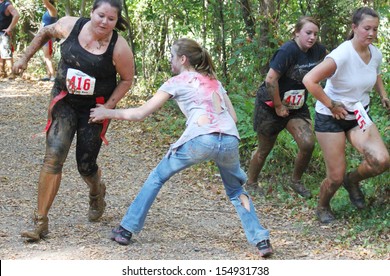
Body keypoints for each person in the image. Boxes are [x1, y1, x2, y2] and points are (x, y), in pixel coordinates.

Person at [90, 38, 274, 258]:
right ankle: (261, 240)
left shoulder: (177, 81)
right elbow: (232, 117)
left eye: (172, 56)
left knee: (157, 177)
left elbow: (140, 114)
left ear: (183, 59)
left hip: (201, 140)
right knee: (236, 191)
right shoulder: (214, 80)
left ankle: (126, 229)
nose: (170, 60)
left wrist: (106, 113)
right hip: (229, 140)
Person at [12, 0, 135, 241]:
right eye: (100, 15)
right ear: (91, 12)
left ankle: (96, 190)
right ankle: (40, 221)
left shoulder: (119, 47)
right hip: (65, 101)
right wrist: (24, 57)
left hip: (94, 109)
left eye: (111, 19)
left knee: (85, 165)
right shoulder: (69, 26)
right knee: (54, 156)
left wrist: (107, 109)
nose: (104, 22)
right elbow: (45, 31)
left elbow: (127, 79)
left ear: (116, 20)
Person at [302, 7, 390, 224]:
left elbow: (375, 73)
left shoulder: (374, 53)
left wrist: (383, 95)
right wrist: (331, 105)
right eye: (366, 28)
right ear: (354, 27)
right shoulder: (341, 54)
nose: (371, 33)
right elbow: (309, 80)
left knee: (381, 160)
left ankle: (352, 181)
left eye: (375, 29)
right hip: (331, 117)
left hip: (358, 115)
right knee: (334, 177)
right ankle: (323, 206)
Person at [247, 16, 326, 198]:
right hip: (270, 105)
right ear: (297, 32)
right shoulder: (287, 51)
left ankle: (295, 181)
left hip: (296, 106)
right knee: (264, 149)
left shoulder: (319, 51)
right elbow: (270, 79)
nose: (312, 37)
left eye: (315, 34)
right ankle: (251, 182)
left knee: (307, 143)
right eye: (308, 33)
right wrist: (278, 105)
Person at [0, 0, 19, 79]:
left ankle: (12, 73)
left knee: (7, 54)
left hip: (4, 33)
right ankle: (1, 72)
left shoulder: (7, 4)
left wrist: (9, 28)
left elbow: (16, 15)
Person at [40, 0, 58, 81]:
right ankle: (49, 75)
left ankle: (53, 76)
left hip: (48, 38)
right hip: (44, 37)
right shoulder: (47, 12)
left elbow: (46, 2)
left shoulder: (52, 10)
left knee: (48, 57)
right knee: (46, 57)